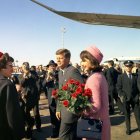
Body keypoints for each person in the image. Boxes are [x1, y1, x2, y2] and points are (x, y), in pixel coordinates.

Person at [80, 45, 111, 140]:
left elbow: (95, 105)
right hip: (102, 121)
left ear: (92, 61)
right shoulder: (99, 75)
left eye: (84, 60)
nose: (82, 63)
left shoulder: (94, 78)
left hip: (95, 124)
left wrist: (81, 111)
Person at [55, 48, 84, 140]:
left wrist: (75, 110)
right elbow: (60, 92)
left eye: (60, 58)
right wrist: (58, 109)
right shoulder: (60, 72)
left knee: (63, 137)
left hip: (70, 112)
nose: (58, 60)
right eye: (57, 58)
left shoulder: (72, 71)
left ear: (68, 59)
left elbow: (81, 90)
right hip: (63, 111)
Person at [0, 52, 25, 140]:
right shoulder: (7, 84)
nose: (13, 69)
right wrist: (18, 135)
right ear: (2, 67)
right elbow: (12, 114)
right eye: (10, 66)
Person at [117, 60, 140, 135]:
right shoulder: (121, 77)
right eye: (127, 66)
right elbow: (119, 88)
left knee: (138, 114)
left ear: (132, 67)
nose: (128, 68)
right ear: (124, 67)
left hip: (135, 98)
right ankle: (128, 129)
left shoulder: (135, 76)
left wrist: (138, 96)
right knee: (127, 115)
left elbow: (138, 87)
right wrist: (122, 95)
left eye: (130, 66)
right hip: (126, 99)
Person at [43, 60, 60, 138]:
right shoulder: (46, 75)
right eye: (50, 66)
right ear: (48, 67)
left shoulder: (59, 74)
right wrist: (47, 79)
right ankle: (55, 132)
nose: (52, 67)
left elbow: (60, 85)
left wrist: (55, 78)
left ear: (55, 67)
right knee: (53, 116)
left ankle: (61, 131)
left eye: (53, 66)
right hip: (51, 98)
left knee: (60, 115)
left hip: (59, 97)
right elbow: (42, 86)